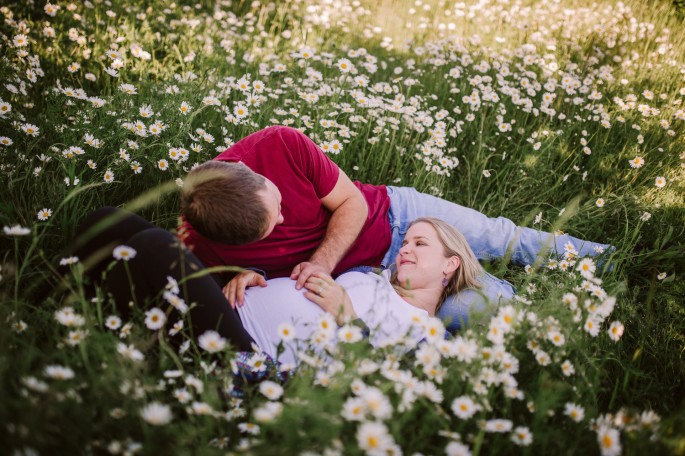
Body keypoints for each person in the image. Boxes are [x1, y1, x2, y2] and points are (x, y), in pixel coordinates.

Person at [180, 125, 613, 331]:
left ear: (251, 172)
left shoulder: (279, 144)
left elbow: (349, 201)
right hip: (380, 290)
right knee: (486, 311)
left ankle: (611, 259)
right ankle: (567, 321)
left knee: (502, 237)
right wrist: (244, 277)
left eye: (277, 204)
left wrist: (320, 262)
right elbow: (232, 296)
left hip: (394, 218)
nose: (284, 218)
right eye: (272, 228)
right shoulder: (199, 242)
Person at [64, 208, 483, 367]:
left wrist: (348, 318)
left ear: (451, 264)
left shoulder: (431, 338)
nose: (405, 249)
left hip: (251, 353)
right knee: (110, 222)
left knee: (153, 246)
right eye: (405, 241)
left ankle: (97, 328)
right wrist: (247, 274)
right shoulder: (371, 276)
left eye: (420, 243)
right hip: (232, 304)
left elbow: (383, 383)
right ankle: (62, 306)